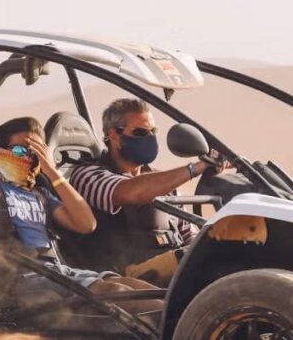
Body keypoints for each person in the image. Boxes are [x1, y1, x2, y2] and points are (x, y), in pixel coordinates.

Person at [0, 116, 159, 308]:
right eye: (20, 150)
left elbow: (86, 224)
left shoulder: (40, 193)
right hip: (18, 274)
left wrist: (51, 171)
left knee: (135, 286)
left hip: (57, 269)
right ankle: (177, 332)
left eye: (35, 152)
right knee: (115, 291)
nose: (27, 157)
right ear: (0, 152)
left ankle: (179, 326)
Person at [68, 98, 223, 284]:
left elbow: (189, 235)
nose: (149, 138)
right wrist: (196, 168)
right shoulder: (88, 175)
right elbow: (130, 192)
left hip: (171, 267)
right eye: (141, 132)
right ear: (115, 136)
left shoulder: (162, 182)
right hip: (126, 277)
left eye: (153, 132)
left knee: (222, 247)